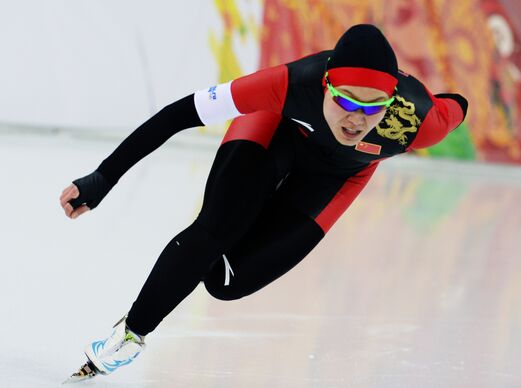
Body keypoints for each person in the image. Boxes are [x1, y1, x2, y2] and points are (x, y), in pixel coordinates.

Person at [60, 24, 468, 381]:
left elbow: (458, 105)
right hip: (274, 131)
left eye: (372, 107)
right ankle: (131, 334)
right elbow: (177, 115)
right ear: (326, 85)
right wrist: (103, 177)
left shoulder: (417, 120)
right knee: (215, 230)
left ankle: (219, 242)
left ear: (391, 101)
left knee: (227, 282)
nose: (356, 119)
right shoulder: (291, 83)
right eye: (345, 100)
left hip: (340, 175)